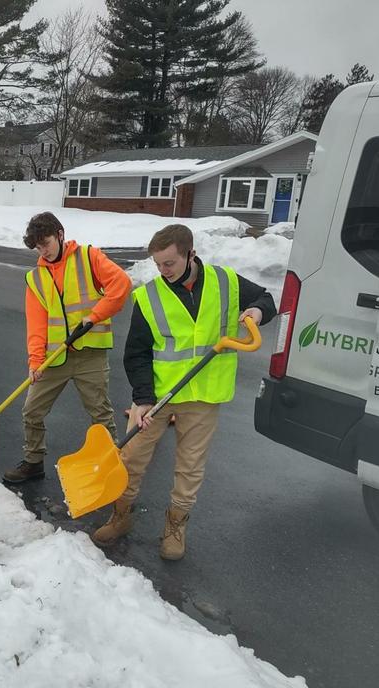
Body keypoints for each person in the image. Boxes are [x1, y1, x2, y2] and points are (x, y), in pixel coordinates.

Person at [91, 224, 276, 560]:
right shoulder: (150, 296)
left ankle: (176, 526)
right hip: (158, 395)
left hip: (204, 394)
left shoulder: (226, 282)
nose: (163, 271)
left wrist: (258, 311)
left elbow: (267, 298)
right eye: (158, 264)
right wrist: (143, 398)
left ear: (191, 254)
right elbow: (136, 353)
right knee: (131, 456)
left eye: (169, 264)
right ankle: (121, 516)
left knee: (190, 467)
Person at [2, 212, 132, 483]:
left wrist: (93, 316)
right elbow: (36, 325)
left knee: (100, 412)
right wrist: (35, 362)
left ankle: (111, 464)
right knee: (31, 410)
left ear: (60, 234)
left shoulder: (88, 258)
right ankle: (33, 461)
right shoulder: (35, 279)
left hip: (90, 355)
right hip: (55, 357)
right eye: (38, 247)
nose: (43, 251)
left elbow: (121, 285)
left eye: (46, 243)